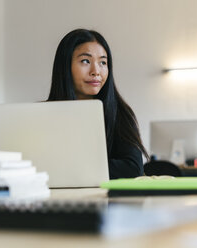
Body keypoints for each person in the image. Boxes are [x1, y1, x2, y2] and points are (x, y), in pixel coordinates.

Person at [47, 29, 149, 179]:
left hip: (107, 200)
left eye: (103, 62)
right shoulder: (44, 115)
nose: (96, 71)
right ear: (65, 66)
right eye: (85, 61)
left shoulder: (120, 113)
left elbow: (132, 168)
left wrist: (70, 167)